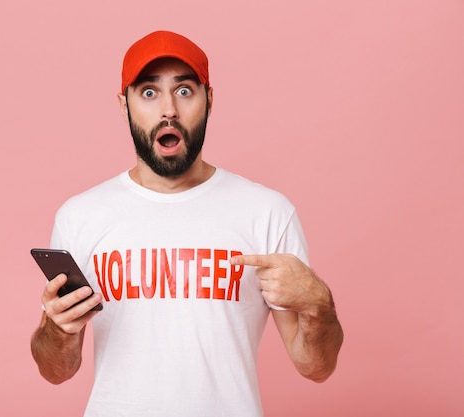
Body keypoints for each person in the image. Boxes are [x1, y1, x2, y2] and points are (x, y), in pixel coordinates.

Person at [31, 30, 343, 417]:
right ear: (123, 104)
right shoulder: (81, 216)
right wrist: (56, 329)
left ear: (209, 99)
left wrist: (319, 305)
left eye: (184, 91)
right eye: (148, 92)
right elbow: (56, 371)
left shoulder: (267, 212)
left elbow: (316, 367)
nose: (168, 110)